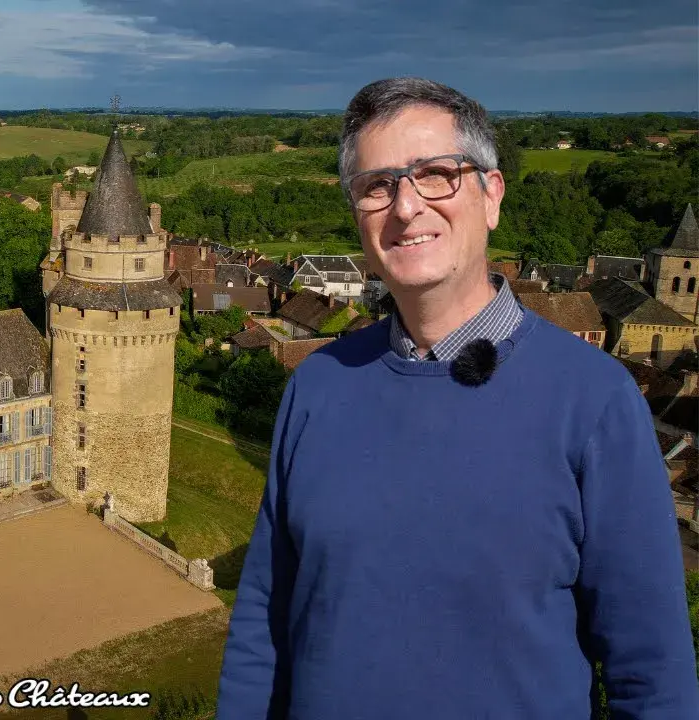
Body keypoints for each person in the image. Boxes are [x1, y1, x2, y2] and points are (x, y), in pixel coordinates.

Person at [217, 77, 698, 719]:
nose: (406, 206)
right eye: (377, 185)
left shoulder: (596, 400)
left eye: (436, 174)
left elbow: (655, 676)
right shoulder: (318, 385)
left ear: (491, 195)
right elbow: (263, 620)